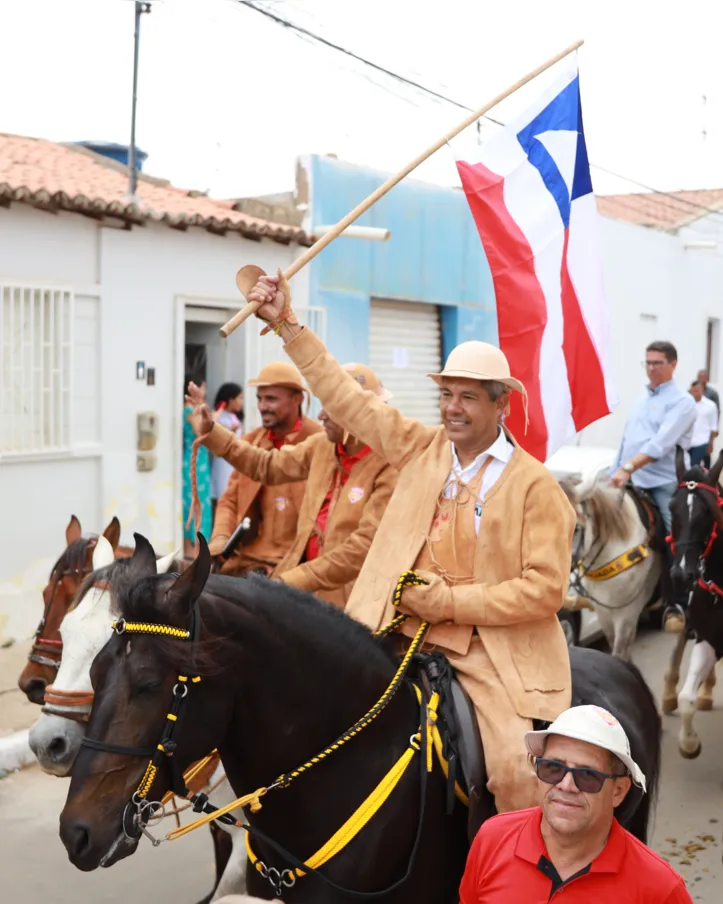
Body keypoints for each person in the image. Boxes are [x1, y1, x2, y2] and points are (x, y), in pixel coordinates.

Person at [244, 272, 575, 819]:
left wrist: (446, 603)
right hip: (390, 631)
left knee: (515, 777)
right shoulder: (422, 449)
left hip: (489, 657)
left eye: (468, 397)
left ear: (502, 408)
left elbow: (544, 592)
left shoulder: (536, 486)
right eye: (446, 395)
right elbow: (346, 399)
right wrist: (287, 323)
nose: (452, 408)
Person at [189, 363, 398, 607]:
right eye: (260, 398)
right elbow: (265, 466)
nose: (321, 415)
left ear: (361, 411)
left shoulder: (389, 465)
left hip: (350, 600)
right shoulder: (321, 446)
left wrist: (288, 582)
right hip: (288, 584)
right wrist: (212, 432)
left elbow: (360, 548)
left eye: (331, 407)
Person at [459, 705, 692, 903]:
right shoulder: (492, 839)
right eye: (553, 768)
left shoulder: (660, 889)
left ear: (618, 791)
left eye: (587, 775)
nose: (566, 785)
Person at [196, 362, 322, 576]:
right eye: (259, 399)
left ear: (298, 399)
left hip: (300, 568)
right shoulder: (251, 441)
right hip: (249, 563)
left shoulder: (319, 443)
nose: (262, 406)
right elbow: (230, 500)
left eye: (271, 399)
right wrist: (220, 540)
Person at [610, 341, 696, 633]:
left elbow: (659, 445)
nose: (651, 369)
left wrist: (628, 468)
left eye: (657, 363)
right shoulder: (641, 399)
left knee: (677, 536)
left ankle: (679, 603)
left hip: (662, 482)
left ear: (673, 365)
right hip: (630, 478)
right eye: (647, 363)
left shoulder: (683, 402)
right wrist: (614, 472)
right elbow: (627, 441)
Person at [182, 375, 212, 559]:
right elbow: (199, 430)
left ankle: (193, 548)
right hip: (194, 460)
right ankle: (192, 549)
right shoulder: (188, 410)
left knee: (196, 501)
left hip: (198, 459)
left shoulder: (191, 410)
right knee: (194, 502)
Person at [210, 382, 245, 512]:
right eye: (239, 398)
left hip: (235, 461)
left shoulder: (236, 417)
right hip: (223, 462)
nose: (241, 402)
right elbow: (213, 429)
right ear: (231, 400)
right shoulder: (219, 416)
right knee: (223, 493)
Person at [688, 381, 718, 468]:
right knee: (686, 467)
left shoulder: (710, 405)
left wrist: (711, 443)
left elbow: (713, 426)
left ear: (702, 390)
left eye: (697, 390)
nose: (695, 393)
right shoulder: (687, 404)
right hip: (688, 442)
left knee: (694, 466)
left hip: (702, 441)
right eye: (693, 391)